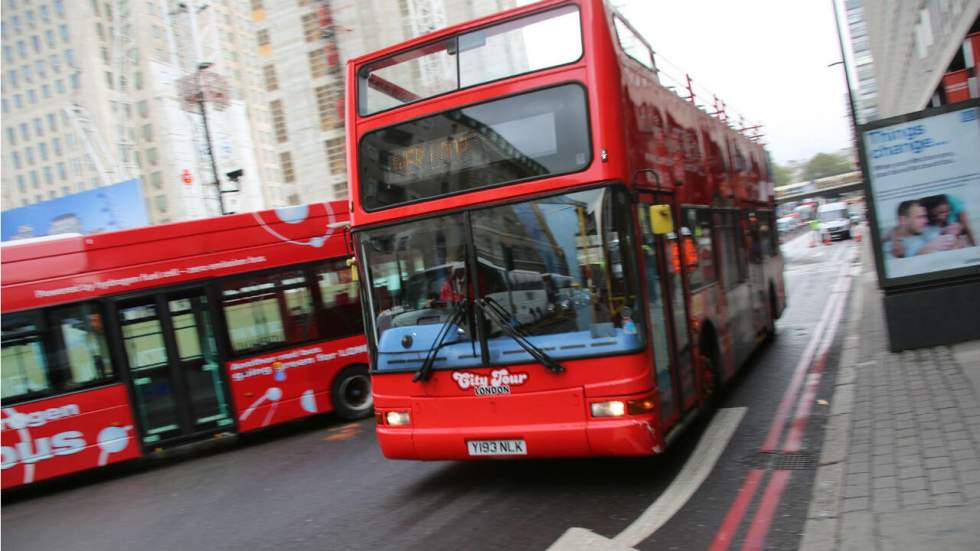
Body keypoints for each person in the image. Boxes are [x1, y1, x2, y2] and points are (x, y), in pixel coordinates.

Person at [886, 200, 956, 258]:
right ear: (903, 220)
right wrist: (924, 251)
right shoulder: (891, 248)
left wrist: (949, 229)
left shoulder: (925, 229)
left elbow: (943, 231)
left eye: (925, 216)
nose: (926, 221)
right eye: (919, 217)